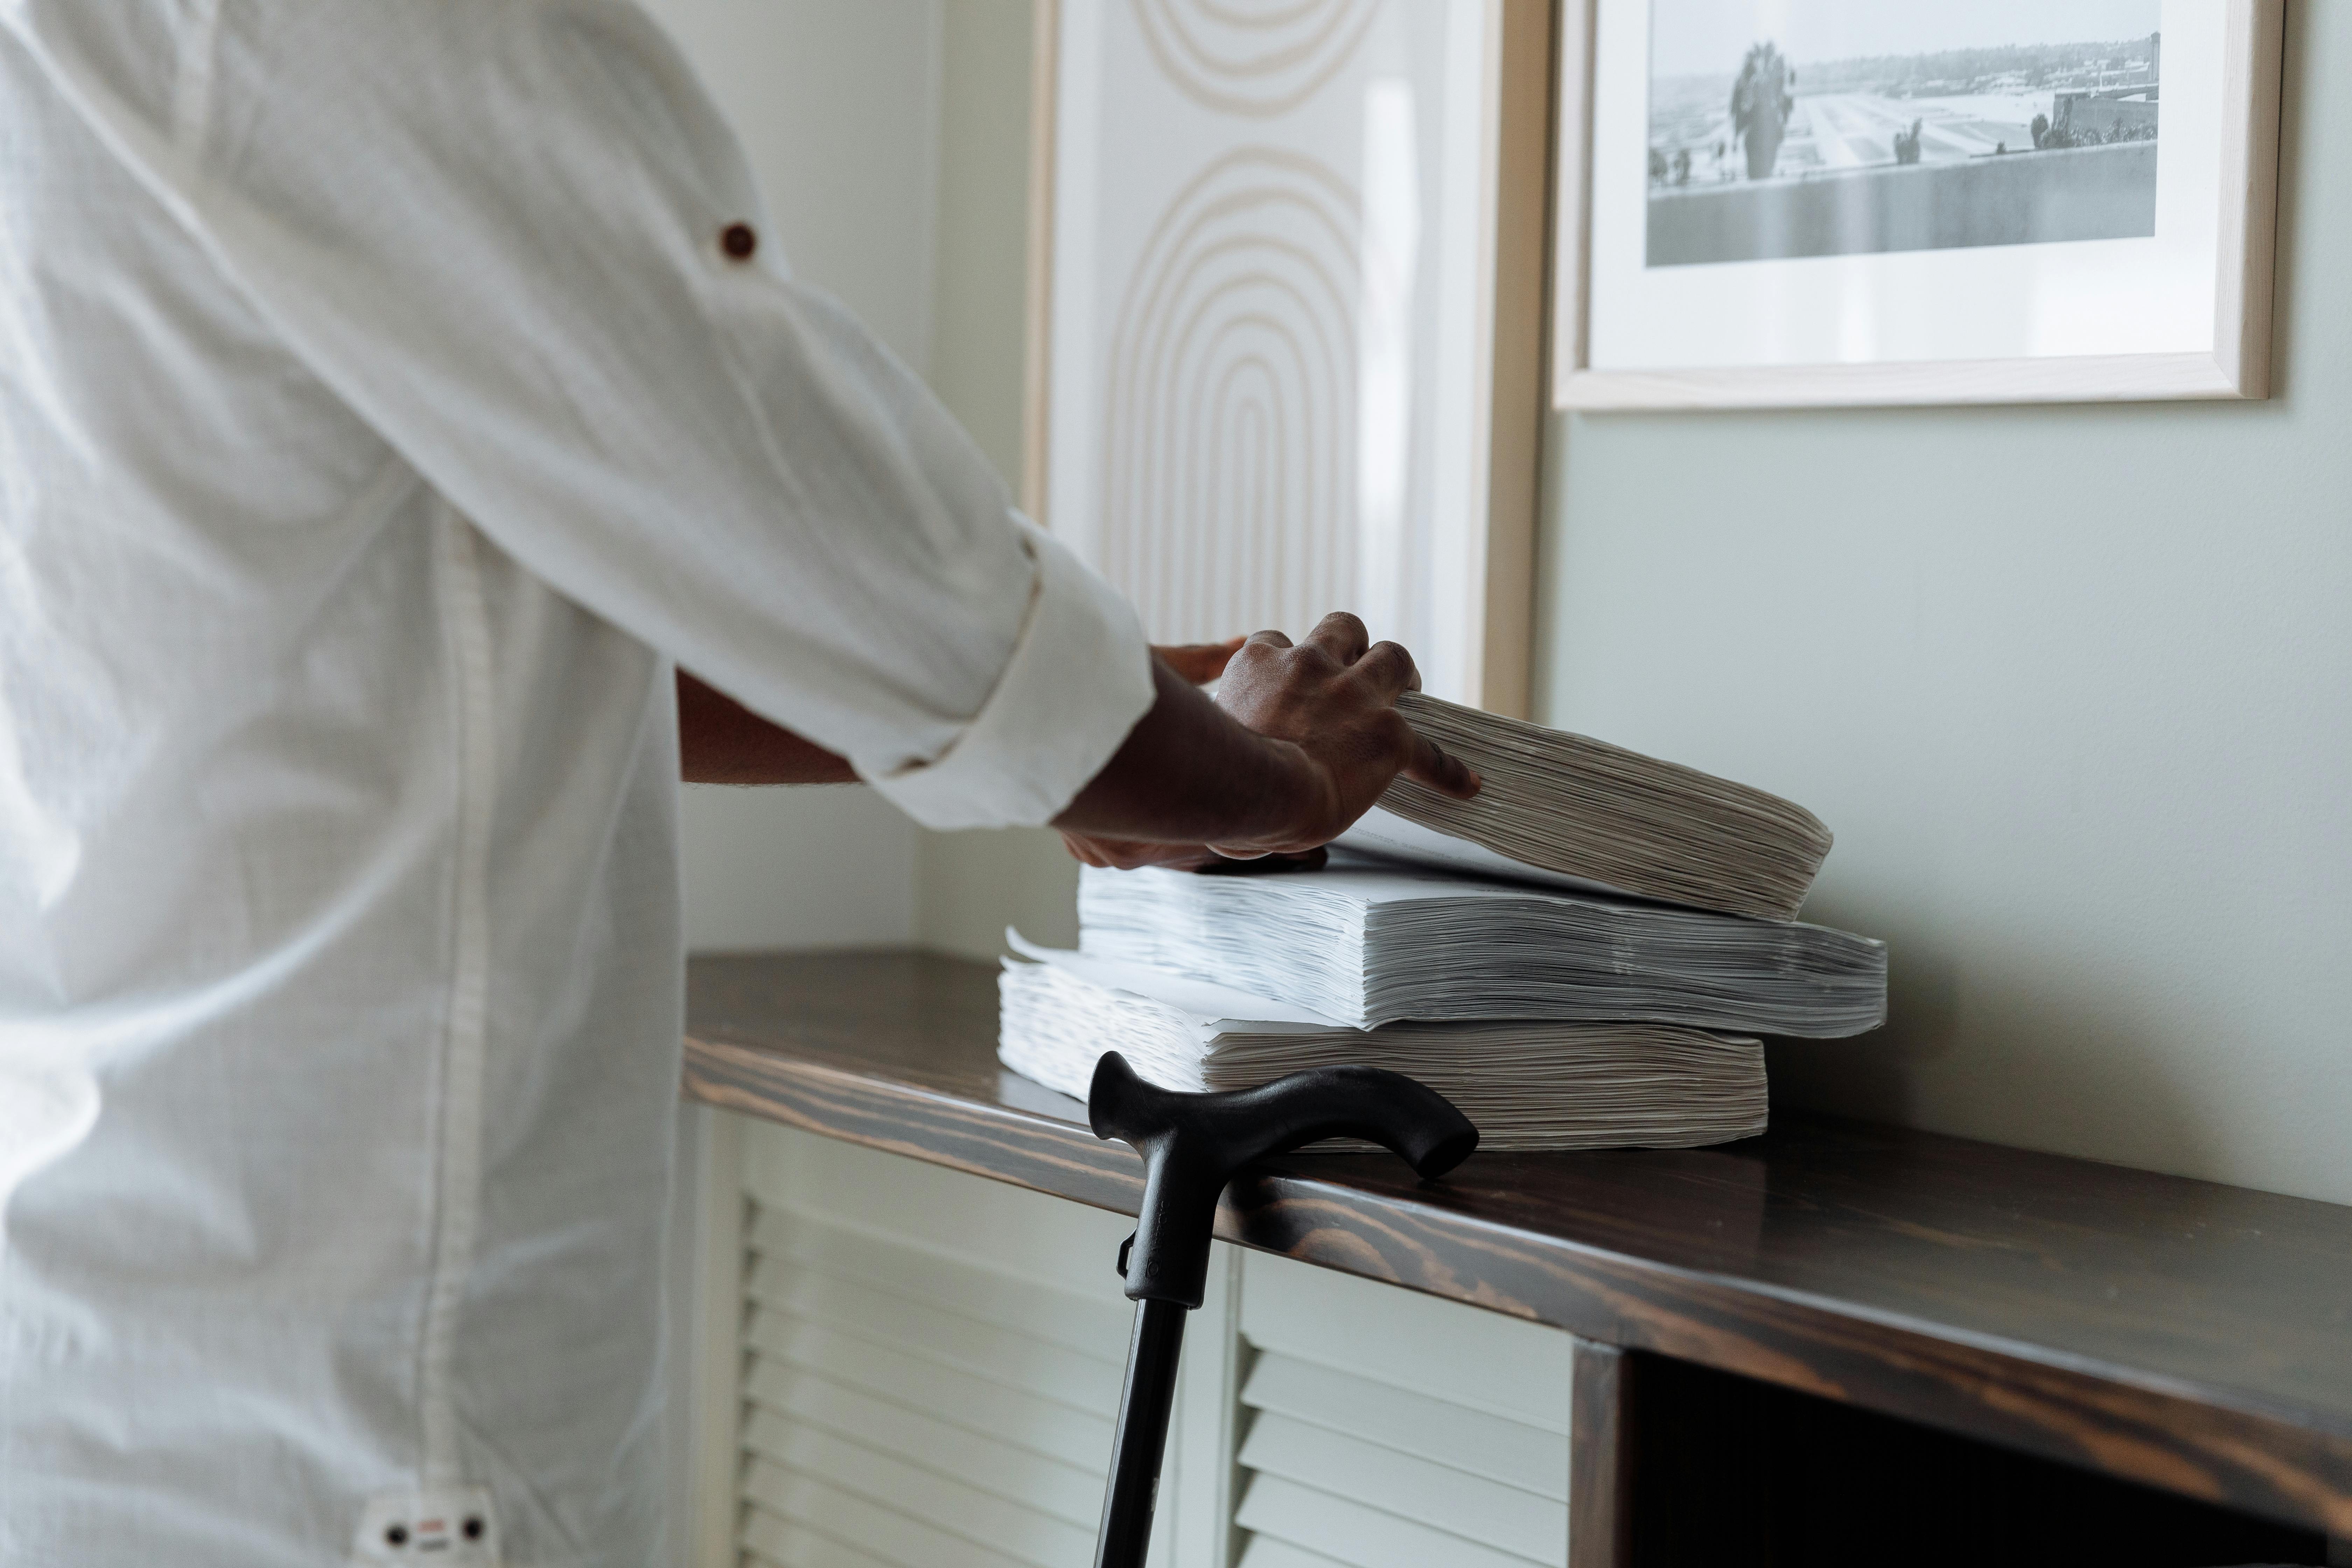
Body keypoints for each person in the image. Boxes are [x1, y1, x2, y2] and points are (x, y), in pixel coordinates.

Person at [0, 5, 1475, 1565]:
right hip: (331, 1426)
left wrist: (1111, 726)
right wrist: (1271, 776)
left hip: (108, 1345)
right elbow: (827, 536)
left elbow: (552, 598)